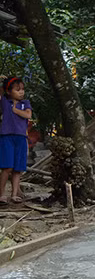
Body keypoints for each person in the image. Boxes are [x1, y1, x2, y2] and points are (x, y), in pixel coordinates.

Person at [0, 77, 32, 205]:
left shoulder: (25, 103)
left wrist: (15, 110)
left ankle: (14, 195)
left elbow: (28, 115)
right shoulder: (4, 102)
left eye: (22, 89)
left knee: (17, 169)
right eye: (17, 90)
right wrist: (3, 82)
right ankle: (1, 194)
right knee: (6, 167)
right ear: (9, 91)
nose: (21, 92)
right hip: (6, 136)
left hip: (21, 137)